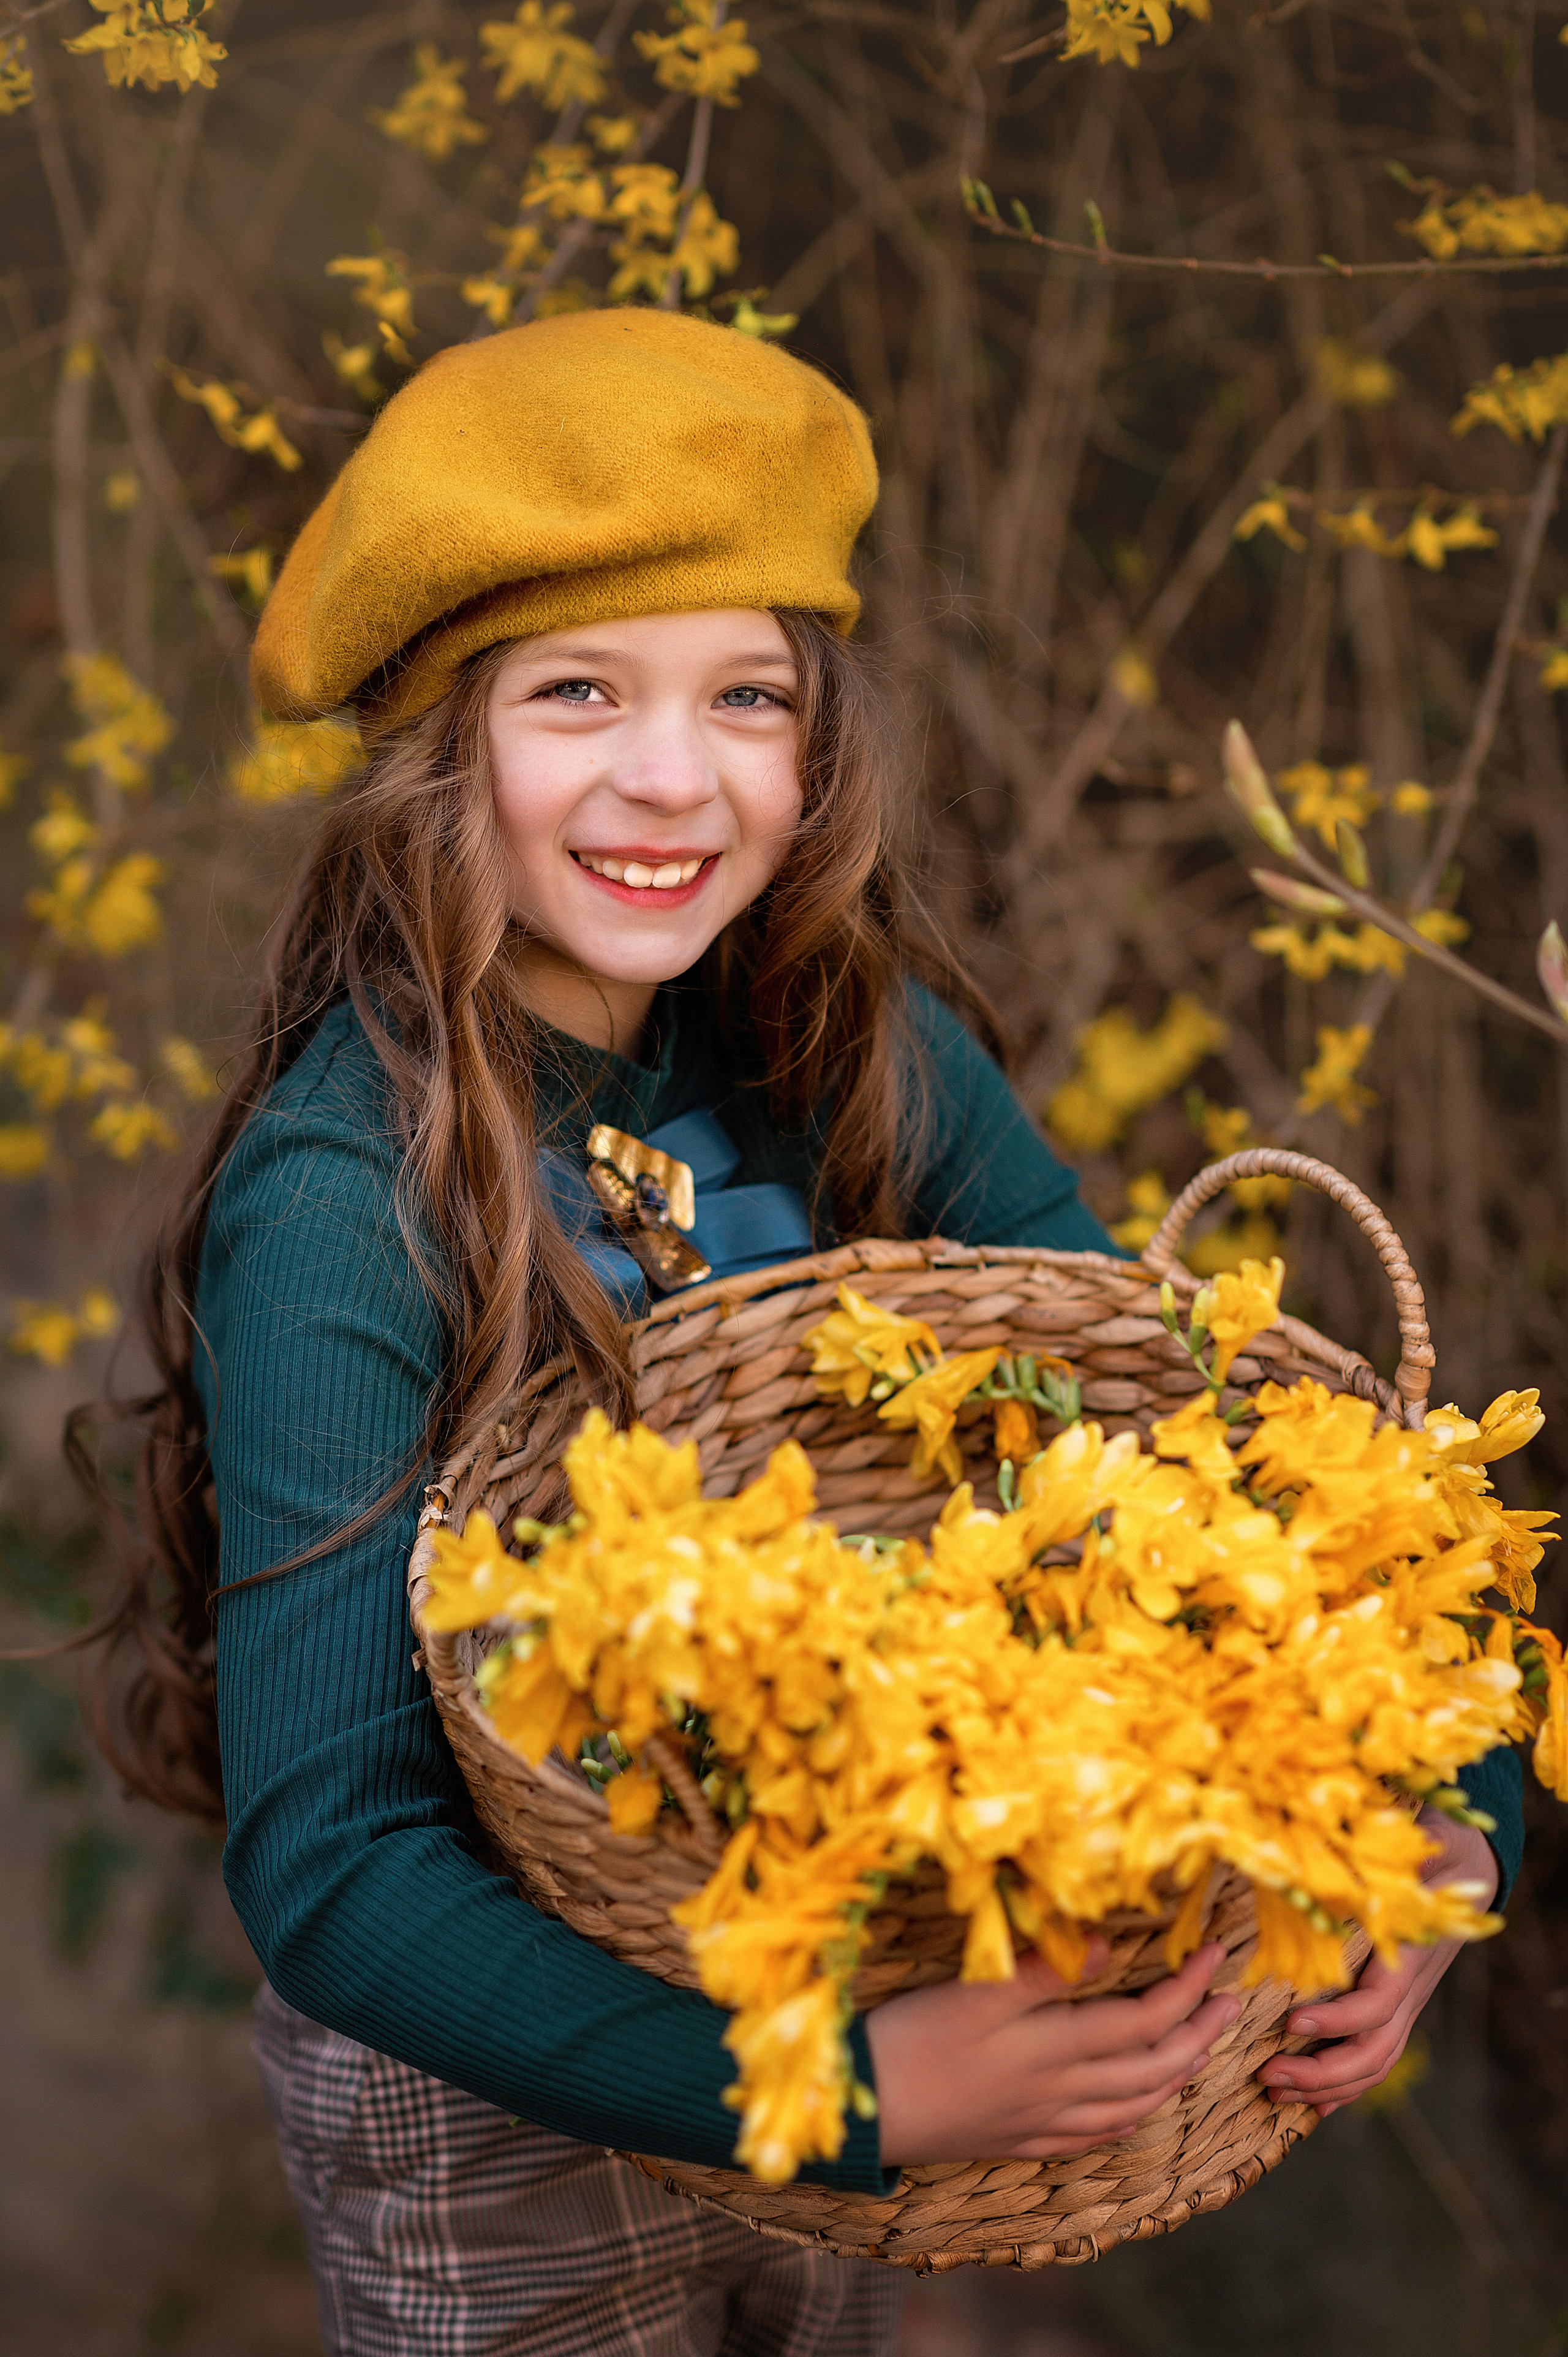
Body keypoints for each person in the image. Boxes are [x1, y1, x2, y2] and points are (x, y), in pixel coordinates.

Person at [91, 309, 1521, 2357]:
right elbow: (336, 1874)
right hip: (505, 2095)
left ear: (817, 744)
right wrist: (863, 2094)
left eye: (744, 696)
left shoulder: (848, 1046)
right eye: (579, 692)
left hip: (883, 1985)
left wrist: (1435, 1841)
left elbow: (1232, 1468)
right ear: (441, 748)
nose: (672, 776)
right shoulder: (348, 1196)